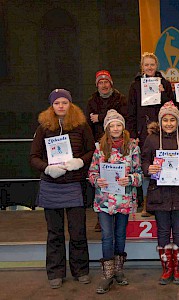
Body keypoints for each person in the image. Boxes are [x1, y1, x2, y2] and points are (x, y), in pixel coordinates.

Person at [30, 89, 94, 289]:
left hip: (74, 185)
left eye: (64, 103)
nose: (60, 106)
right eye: (57, 103)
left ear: (70, 105)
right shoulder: (43, 128)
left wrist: (79, 162)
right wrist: (47, 168)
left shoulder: (81, 126)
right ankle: (55, 272)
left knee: (77, 232)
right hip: (51, 186)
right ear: (52, 106)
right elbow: (34, 157)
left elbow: (92, 151)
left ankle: (81, 270)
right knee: (54, 233)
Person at [88, 109, 143, 294]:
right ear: (107, 128)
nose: (116, 128)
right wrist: (97, 180)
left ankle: (119, 271)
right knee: (106, 236)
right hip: (104, 200)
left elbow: (140, 175)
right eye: (112, 125)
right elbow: (92, 173)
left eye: (119, 125)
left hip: (124, 199)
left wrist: (131, 179)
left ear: (123, 127)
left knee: (120, 235)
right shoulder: (99, 148)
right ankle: (107, 274)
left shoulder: (133, 147)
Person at [141, 101, 179, 285]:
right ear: (160, 122)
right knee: (163, 231)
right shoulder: (151, 139)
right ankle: (167, 269)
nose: (169, 123)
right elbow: (144, 162)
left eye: (173, 119)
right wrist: (150, 168)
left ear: (178, 121)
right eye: (166, 120)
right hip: (159, 193)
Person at [126, 52, 175, 217]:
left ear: (156, 66)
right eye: (146, 65)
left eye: (152, 64)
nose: (149, 67)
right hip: (144, 133)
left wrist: (163, 93)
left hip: (163, 132)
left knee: (163, 164)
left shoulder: (165, 83)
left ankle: (164, 202)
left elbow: (173, 106)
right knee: (147, 167)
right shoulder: (135, 86)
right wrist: (133, 134)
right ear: (142, 67)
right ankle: (147, 204)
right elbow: (131, 112)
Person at [86, 69, 128, 232]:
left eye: (106, 82)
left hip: (119, 144)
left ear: (111, 83)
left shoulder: (121, 98)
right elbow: (89, 122)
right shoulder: (92, 100)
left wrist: (101, 117)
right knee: (102, 180)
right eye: (100, 82)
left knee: (120, 178)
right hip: (100, 144)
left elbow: (122, 117)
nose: (104, 85)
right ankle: (101, 216)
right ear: (97, 85)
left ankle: (121, 214)